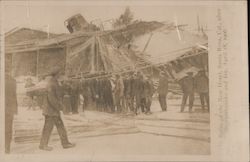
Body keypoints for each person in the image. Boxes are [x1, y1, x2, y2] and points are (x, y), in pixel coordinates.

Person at [39, 67, 75, 151]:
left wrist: (64, 85)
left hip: (53, 111)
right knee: (48, 128)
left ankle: (65, 143)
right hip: (51, 111)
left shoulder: (55, 82)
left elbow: (59, 93)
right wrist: (60, 107)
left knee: (60, 126)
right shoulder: (51, 84)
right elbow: (52, 99)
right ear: (56, 74)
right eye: (59, 73)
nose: (60, 75)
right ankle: (43, 145)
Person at [5, 71, 18, 154]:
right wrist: (15, 109)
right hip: (9, 109)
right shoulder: (12, 81)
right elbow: (14, 95)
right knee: (8, 128)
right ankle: (7, 148)